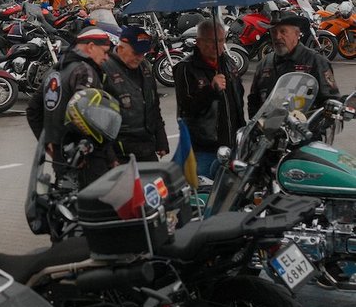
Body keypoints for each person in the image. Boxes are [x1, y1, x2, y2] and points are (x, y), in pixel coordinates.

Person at [27, 27, 112, 185]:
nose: (106, 57)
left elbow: (33, 109)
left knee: (65, 202)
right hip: (85, 159)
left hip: (60, 155)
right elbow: (84, 113)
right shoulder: (85, 71)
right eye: (105, 51)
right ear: (91, 46)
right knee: (91, 206)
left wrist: (48, 143)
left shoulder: (55, 69)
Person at [174, 19, 245, 176]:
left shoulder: (229, 63)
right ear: (198, 42)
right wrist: (210, 90)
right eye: (210, 41)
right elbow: (187, 108)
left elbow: (238, 101)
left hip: (231, 145)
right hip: (204, 148)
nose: (216, 45)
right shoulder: (186, 68)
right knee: (205, 194)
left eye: (220, 40)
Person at [249, 14, 340, 117]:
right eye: (273, 32)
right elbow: (253, 100)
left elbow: (331, 101)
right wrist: (256, 128)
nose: (277, 37)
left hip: (305, 129)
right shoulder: (264, 63)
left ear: (297, 34)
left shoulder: (315, 61)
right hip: (269, 129)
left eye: (283, 31)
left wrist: (314, 127)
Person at [102, 26, 169, 163]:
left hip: (147, 147)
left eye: (143, 53)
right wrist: (110, 157)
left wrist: (161, 138)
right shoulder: (104, 69)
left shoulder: (145, 67)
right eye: (136, 53)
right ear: (121, 48)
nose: (139, 58)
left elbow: (154, 105)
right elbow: (99, 122)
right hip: (121, 153)